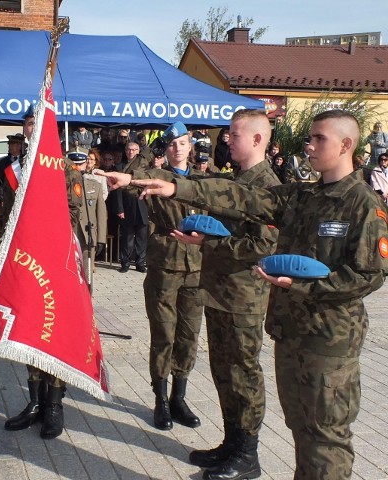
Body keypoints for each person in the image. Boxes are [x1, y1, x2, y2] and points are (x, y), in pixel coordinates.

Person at [113, 109, 388, 480]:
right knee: (301, 427)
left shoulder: (363, 204)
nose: (309, 145)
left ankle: (247, 453)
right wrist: (176, 186)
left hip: (330, 339)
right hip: (291, 331)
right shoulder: (303, 195)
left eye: (318, 138)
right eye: (310, 137)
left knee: (325, 436)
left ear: (346, 145)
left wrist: (304, 285)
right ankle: (238, 446)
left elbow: (369, 275)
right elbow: (241, 198)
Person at [102, 109, 280, 479]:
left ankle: (247, 455)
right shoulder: (238, 178)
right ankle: (231, 444)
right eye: (226, 134)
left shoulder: (266, 184)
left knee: (243, 374)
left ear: (258, 139)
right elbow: (201, 193)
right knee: (223, 371)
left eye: (234, 134)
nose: (225, 140)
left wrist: (212, 243)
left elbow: (264, 242)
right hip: (217, 290)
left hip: (242, 297)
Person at [2, 105, 81, 440]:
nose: (34, 128)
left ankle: (54, 406)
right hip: (24, 263)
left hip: (54, 263)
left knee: (56, 335)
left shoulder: (64, 168)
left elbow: (73, 214)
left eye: (40, 123)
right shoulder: (14, 169)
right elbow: (8, 216)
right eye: (30, 123)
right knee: (30, 330)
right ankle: (34, 402)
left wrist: (45, 238)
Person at [131, 122, 206, 431]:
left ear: (191, 147)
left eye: (182, 143)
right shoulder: (156, 176)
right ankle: (160, 401)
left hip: (197, 268)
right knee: (164, 334)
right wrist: (148, 149)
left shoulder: (203, 181)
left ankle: (179, 398)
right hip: (165, 264)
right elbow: (131, 175)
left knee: (189, 335)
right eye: (171, 143)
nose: (177, 148)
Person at [67, 147, 107, 283]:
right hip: (68, 233)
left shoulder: (94, 185)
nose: (77, 167)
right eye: (74, 164)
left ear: (86, 164)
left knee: (86, 276)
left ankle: (87, 301)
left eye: (80, 164)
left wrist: (101, 238)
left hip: (86, 235)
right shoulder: (60, 184)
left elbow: (101, 213)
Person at [115, 142, 149, 273]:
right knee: (127, 236)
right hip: (127, 206)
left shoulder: (145, 168)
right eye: (129, 150)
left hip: (142, 205)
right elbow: (117, 190)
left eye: (134, 150)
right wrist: (120, 209)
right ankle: (125, 263)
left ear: (138, 151)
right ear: (125, 151)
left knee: (141, 237)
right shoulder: (120, 167)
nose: (131, 152)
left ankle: (140, 263)